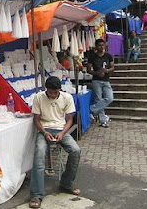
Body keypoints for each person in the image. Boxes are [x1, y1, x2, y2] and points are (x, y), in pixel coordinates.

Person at [29, 76, 81, 208]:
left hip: (60, 129)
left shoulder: (67, 97)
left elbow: (69, 119)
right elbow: (36, 119)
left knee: (75, 150)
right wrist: (44, 132)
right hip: (44, 130)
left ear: (59, 90)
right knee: (39, 155)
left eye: (55, 92)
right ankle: (36, 194)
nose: (53, 95)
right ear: (46, 89)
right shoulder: (38, 97)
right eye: (50, 92)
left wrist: (62, 133)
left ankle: (66, 183)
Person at [87, 39, 114, 128]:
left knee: (109, 98)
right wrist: (97, 73)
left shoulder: (108, 56)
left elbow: (112, 67)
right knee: (98, 99)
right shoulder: (92, 56)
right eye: (99, 45)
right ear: (96, 46)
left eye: (103, 45)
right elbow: (88, 69)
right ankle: (102, 120)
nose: (101, 47)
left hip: (106, 80)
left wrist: (106, 70)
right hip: (96, 80)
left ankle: (92, 109)